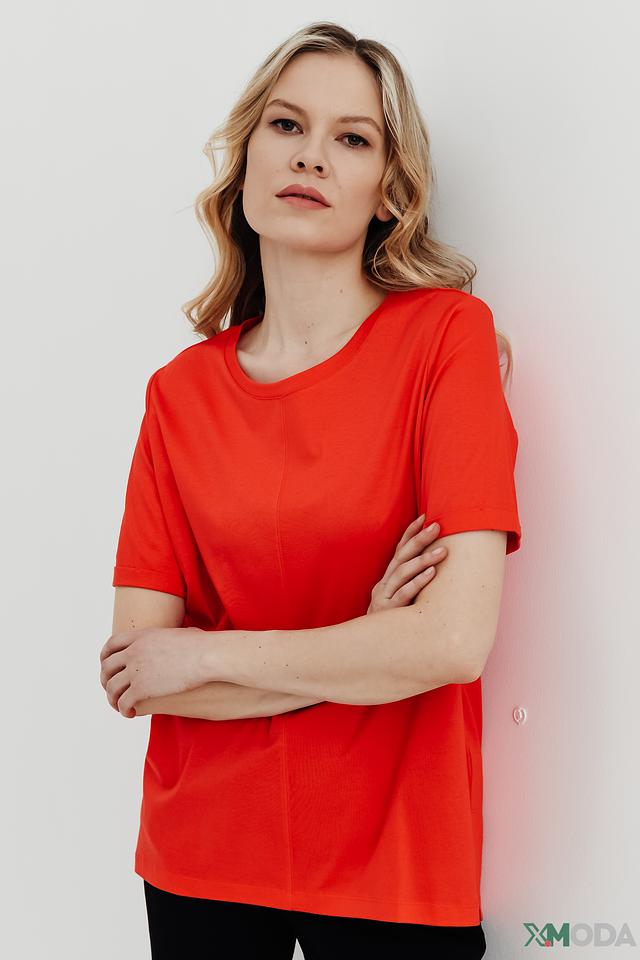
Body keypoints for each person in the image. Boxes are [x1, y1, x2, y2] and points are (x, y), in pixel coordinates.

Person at [100, 20, 522, 960]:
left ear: (389, 192)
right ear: (247, 157)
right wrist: (366, 644)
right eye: (287, 125)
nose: (312, 157)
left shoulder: (446, 341)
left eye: (353, 138)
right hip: (199, 859)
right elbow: (141, 674)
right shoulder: (179, 394)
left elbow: (452, 643)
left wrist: (206, 658)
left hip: (396, 870)